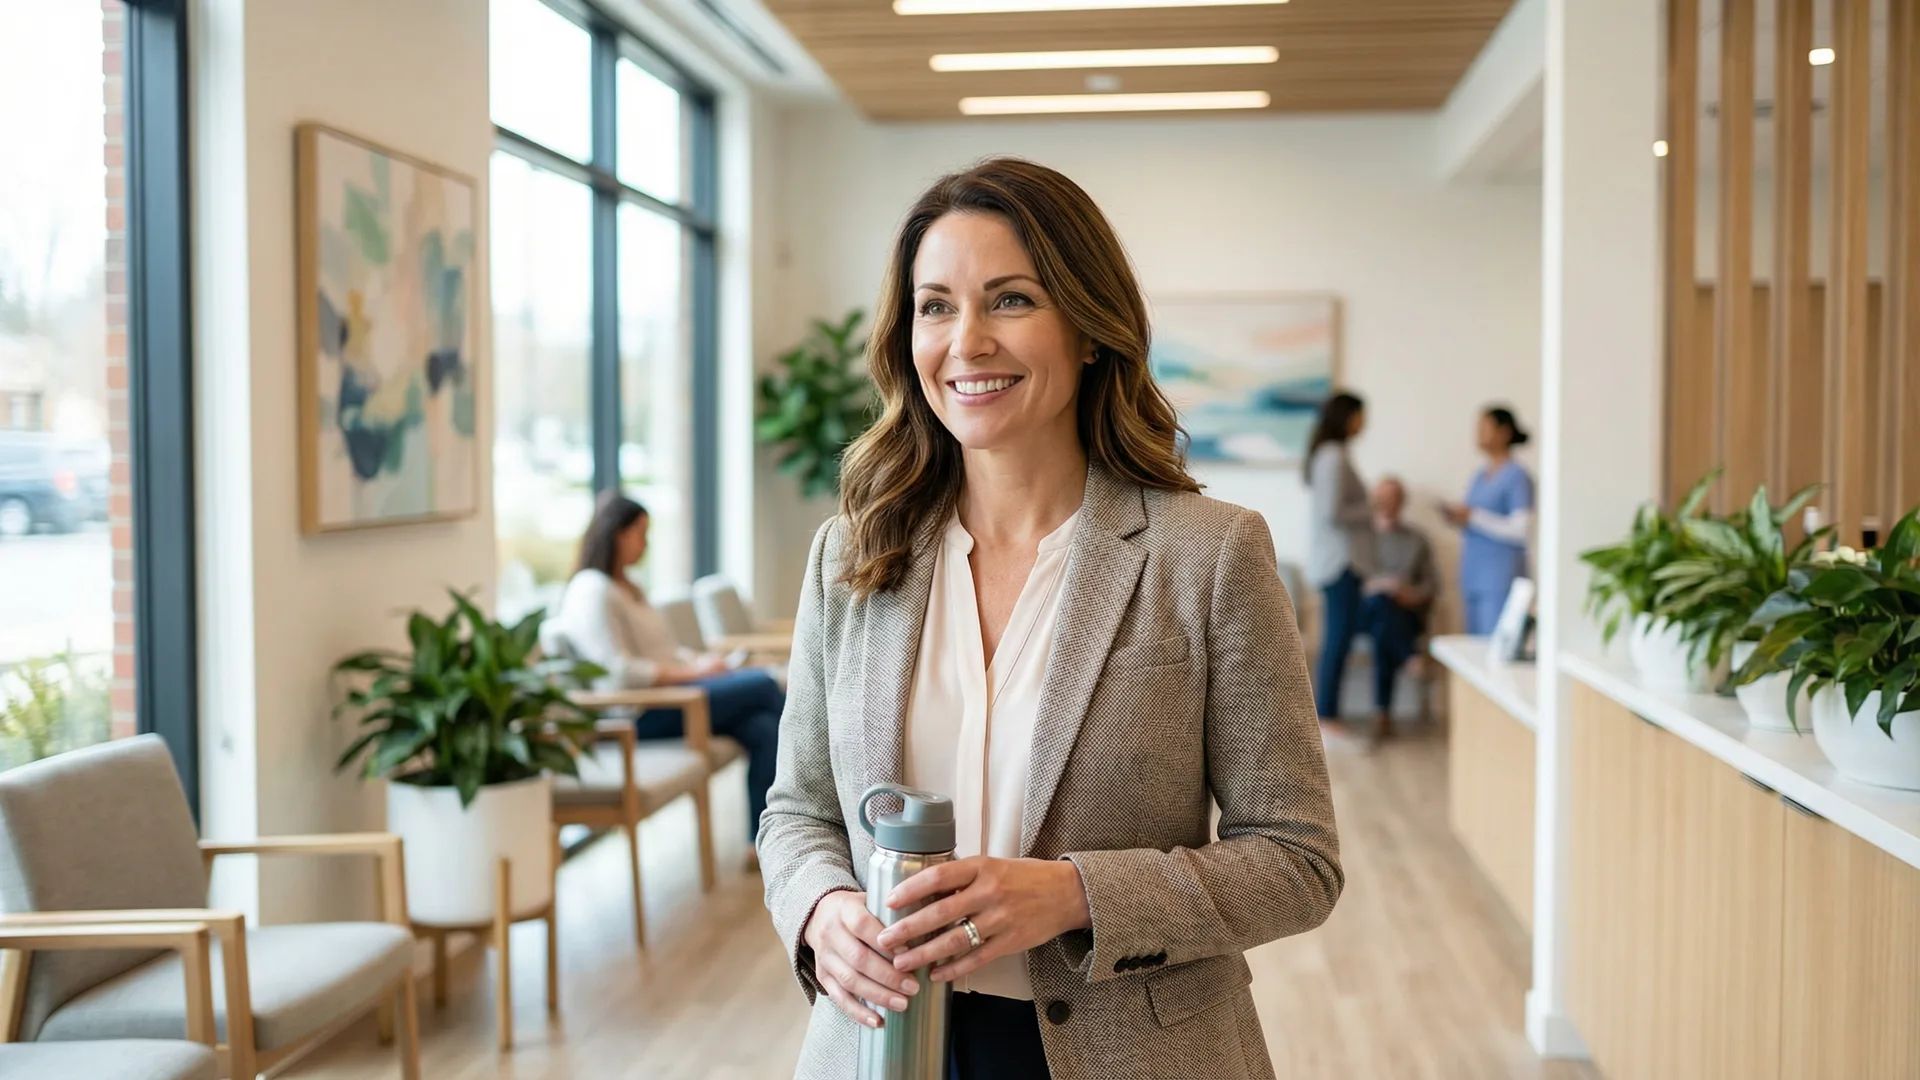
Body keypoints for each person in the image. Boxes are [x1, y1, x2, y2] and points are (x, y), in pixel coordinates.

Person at [756, 159, 1341, 1080]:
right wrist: (822, 909)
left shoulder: (1208, 553)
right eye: (936, 306)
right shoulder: (853, 555)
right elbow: (798, 809)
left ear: (1090, 331)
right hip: (878, 1044)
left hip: (1133, 1051)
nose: (967, 341)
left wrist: (1074, 895)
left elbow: (1297, 860)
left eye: (1012, 300)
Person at [549, 492, 785, 847]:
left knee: (764, 729)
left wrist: (700, 663)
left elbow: (665, 650)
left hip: (672, 696)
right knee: (766, 686)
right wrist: (697, 675)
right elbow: (619, 672)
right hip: (640, 712)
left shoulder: (627, 586)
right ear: (617, 533)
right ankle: (820, 806)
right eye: (640, 534)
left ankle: (765, 843)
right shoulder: (592, 591)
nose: (645, 544)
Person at [1304, 391, 1374, 730]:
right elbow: (1334, 512)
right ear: (1348, 417)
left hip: (1341, 562)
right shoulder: (1333, 457)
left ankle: (1329, 715)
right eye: (1362, 415)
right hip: (1341, 563)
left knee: (1339, 639)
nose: (1365, 422)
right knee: (1337, 641)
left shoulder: (1331, 454)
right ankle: (1327, 717)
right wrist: (1371, 507)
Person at [1442, 405, 1536, 636]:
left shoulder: (1517, 476)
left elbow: (1521, 529)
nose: (1478, 434)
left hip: (1500, 576)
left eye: (1484, 428)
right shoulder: (1479, 476)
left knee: (1493, 645)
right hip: (1474, 573)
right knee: (1473, 646)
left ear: (1504, 432)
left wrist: (1473, 516)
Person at [1359, 477, 1437, 745]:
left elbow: (1431, 586)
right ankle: (1409, 656)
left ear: (1401, 502)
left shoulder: (1417, 540)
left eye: (1393, 497)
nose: (1387, 503)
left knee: (1385, 626)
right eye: (1382, 497)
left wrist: (1411, 595)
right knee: (1381, 605)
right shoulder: (1361, 538)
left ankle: (1382, 716)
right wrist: (1377, 586)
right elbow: (1351, 584)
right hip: (1365, 613)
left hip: (1405, 613)